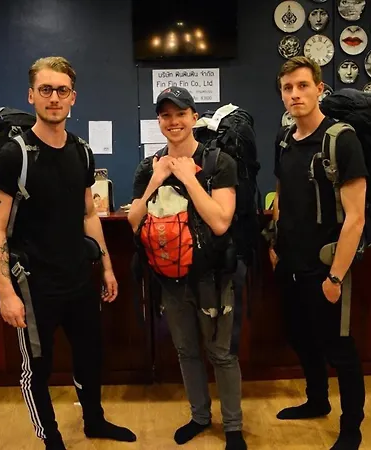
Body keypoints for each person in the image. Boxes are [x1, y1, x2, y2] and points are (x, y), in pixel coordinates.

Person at [0, 56, 136, 450]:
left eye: (62, 90)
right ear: (31, 95)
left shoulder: (81, 152)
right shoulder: (12, 156)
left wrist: (106, 268)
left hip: (78, 277)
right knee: (37, 367)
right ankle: (51, 438)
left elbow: (89, 213)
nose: (54, 97)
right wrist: (5, 292)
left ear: (73, 97)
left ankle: (94, 421)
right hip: (33, 284)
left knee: (89, 354)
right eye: (46, 89)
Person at [128, 86, 247, 450]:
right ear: (159, 122)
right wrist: (156, 179)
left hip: (213, 276)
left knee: (221, 353)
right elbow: (133, 220)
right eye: (165, 115)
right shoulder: (148, 166)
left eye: (180, 113)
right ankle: (199, 416)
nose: (173, 121)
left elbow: (221, 222)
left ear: (194, 117)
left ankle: (233, 427)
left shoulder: (219, 162)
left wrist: (189, 177)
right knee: (186, 351)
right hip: (170, 277)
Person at [271, 56, 367, 450]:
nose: (295, 94)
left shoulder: (341, 140)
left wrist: (336, 277)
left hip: (326, 267)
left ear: (319, 89)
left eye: (303, 85)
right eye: (287, 88)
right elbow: (281, 195)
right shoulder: (283, 140)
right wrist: (275, 244)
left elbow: (356, 217)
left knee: (339, 350)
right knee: (301, 337)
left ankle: (352, 427)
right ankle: (316, 400)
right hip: (291, 264)